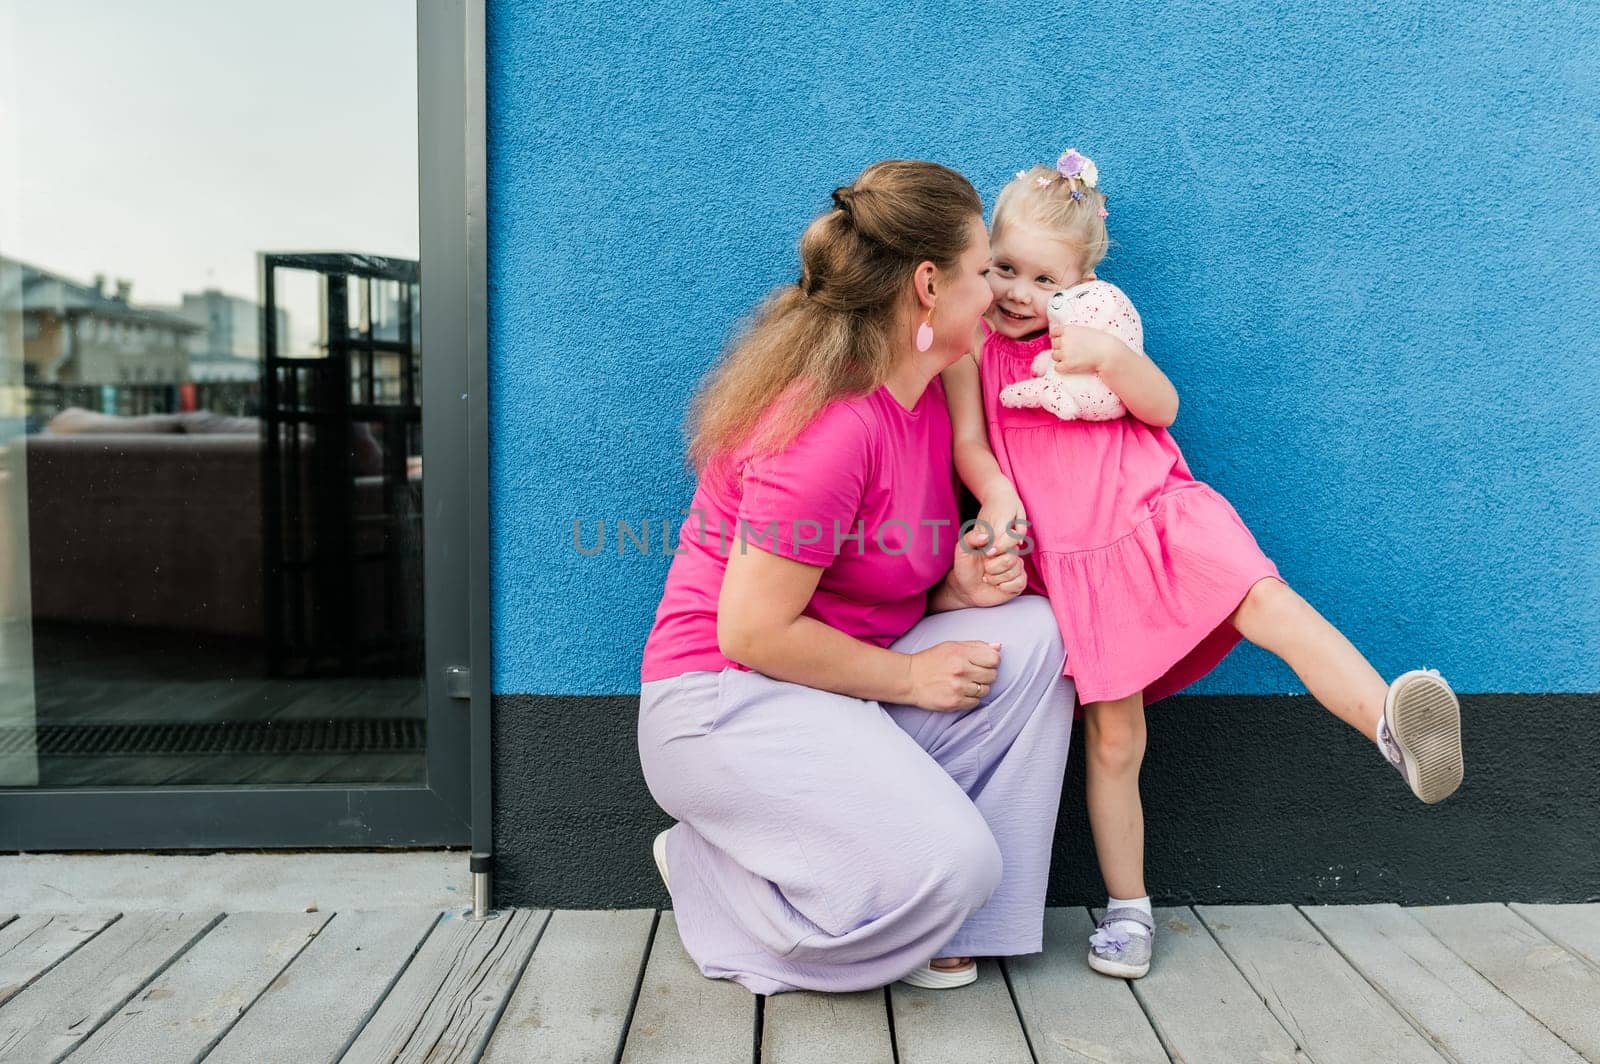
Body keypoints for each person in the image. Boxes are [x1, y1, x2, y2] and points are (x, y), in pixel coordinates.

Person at [939, 147, 1466, 981]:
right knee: (1115, 740)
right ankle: (1129, 909)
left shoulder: (1098, 331)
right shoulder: (975, 351)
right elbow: (970, 442)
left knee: (1270, 603)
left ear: (1079, 282)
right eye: (1003, 268)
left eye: (1043, 280)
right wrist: (997, 496)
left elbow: (1162, 407)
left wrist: (1109, 360)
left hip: (1161, 516)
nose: (1016, 293)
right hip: (1079, 565)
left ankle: (1387, 721)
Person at [637, 160, 1076, 995]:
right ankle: (715, 877)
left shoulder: (924, 397)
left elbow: (857, 577)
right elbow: (752, 632)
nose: (996, 296)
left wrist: (954, 596)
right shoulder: (829, 427)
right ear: (926, 285)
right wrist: (912, 675)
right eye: (984, 272)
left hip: (831, 687)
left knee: (1035, 635)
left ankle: (953, 929)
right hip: (724, 703)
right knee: (954, 867)